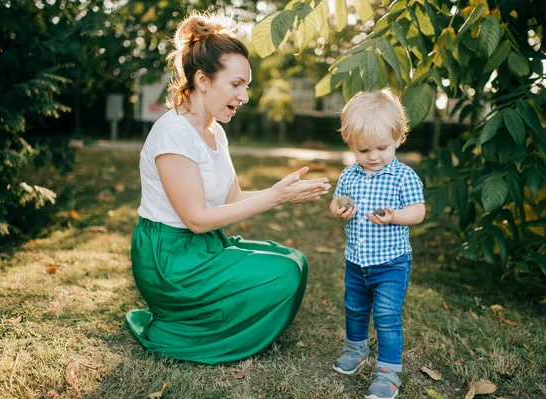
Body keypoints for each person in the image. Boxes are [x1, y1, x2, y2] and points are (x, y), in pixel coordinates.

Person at [125, 12, 331, 365]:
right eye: (236, 84)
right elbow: (197, 219)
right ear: (203, 80)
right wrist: (273, 198)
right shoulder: (173, 134)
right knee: (284, 274)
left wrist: (279, 192)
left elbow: (232, 198)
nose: (244, 96)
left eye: (246, 85)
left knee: (294, 261)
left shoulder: (214, 130)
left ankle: (214, 318)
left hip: (204, 247)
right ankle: (182, 329)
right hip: (171, 261)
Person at [329, 89, 426, 399]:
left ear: (398, 138)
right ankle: (356, 350)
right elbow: (337, 202)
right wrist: (340, 209)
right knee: (355, 309)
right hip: (356, 261)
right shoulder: (349, 175)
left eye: (381, 147)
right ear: (351, 146)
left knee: (386, 316)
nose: (373, 156)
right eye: (363, 149)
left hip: (391, 263)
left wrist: (396, 215)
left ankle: (388, 372)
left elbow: (418, 212)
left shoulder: (403, 176)